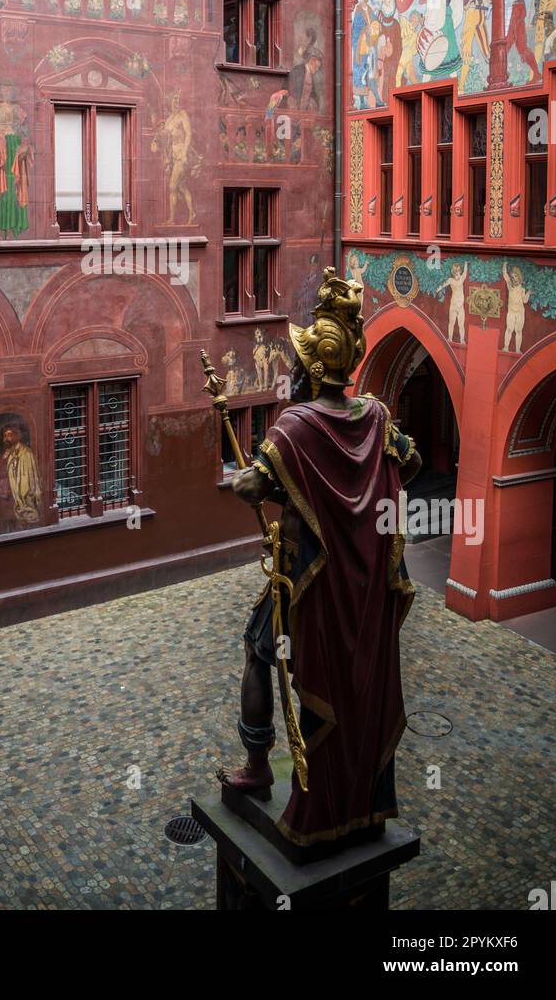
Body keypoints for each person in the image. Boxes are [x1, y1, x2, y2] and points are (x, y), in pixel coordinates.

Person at [218, 269, 422, 858]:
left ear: (311, 369)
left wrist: (242, 471)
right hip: (363, 590)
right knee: (357, 688)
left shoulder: (295, 428)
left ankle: (257, 766)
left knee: (259, 651)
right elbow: (403, 468)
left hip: (305, 585)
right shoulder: (377, 418)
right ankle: (361, 802)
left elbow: (253, 486)